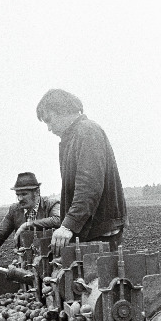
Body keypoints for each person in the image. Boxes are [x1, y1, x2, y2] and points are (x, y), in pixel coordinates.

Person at [36, 89, 127, 254]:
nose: (49, 128)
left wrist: (68, 225)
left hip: (100, 230)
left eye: (49, 120)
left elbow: (88, 185)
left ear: (63, 111)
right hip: (90, 229)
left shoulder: (87, 132)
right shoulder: (72, 138)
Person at [0, 172, 60, 260]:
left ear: (37, 192)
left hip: (51, 260)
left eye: (24, 194)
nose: (19, 199)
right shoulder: (14, 210)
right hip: (26, 261)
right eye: (17, 195)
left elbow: (58, 220)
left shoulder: (51, 204)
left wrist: (27, 224)